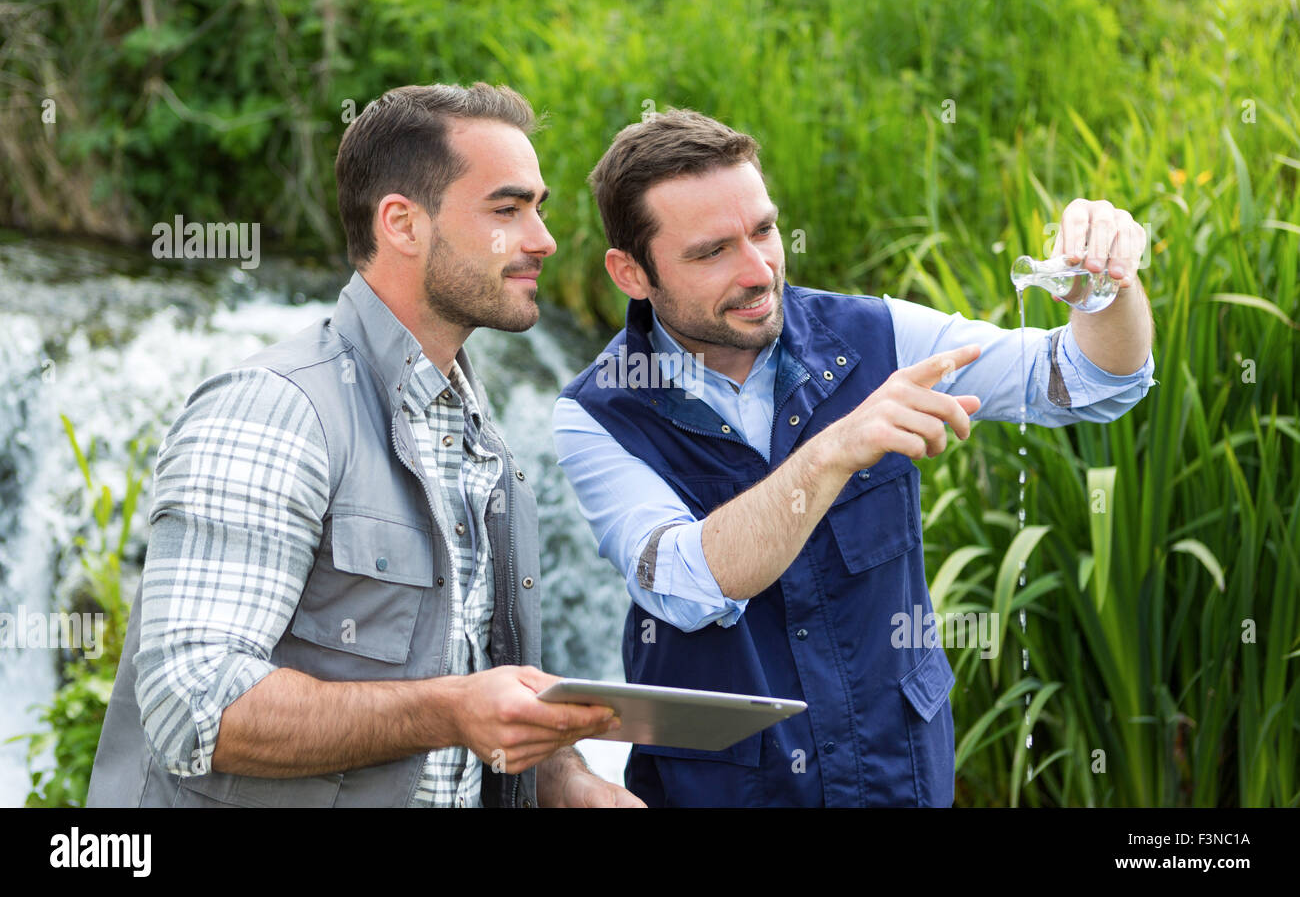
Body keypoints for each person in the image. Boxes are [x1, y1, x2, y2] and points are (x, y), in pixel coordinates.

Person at [553, 108, 1155, 807]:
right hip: (726, 792)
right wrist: (834, 450)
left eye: (765, 231)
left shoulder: (876, 333)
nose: (758, 271)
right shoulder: (599, 412)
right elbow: (686, 587)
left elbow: (1086, 381)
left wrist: (1107, 284)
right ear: (631, 273)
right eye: (711, 252)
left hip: (896, 775)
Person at [88, 82, 643, 808]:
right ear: (402, 224)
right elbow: (194, 706)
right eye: (508, 209)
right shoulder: (274, 411)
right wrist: (447, 711)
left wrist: (568, 782)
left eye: (539, 208)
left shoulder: (476, 434)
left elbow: (475, 700)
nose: (544, 239)